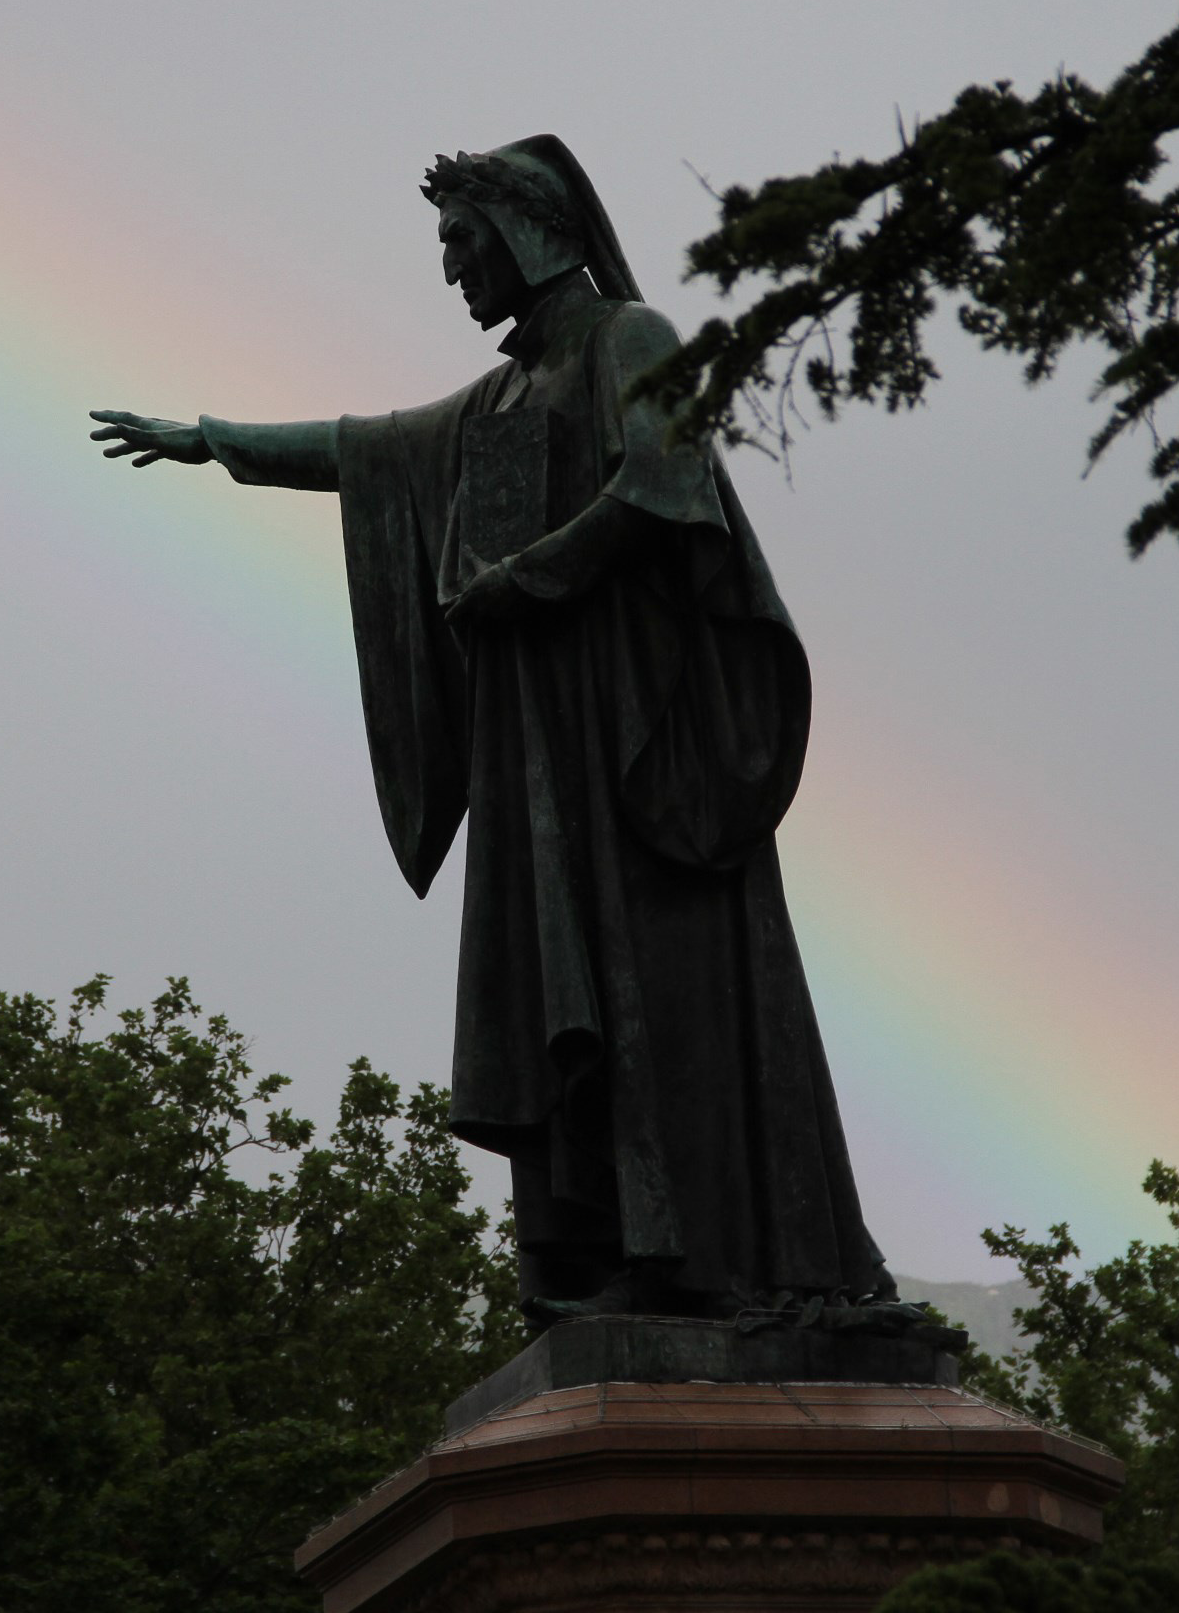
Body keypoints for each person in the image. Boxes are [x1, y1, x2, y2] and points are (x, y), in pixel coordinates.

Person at [90, 136, 893, 1324]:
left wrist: (525, 578)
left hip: (629, 737)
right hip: (539, 750)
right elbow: (369, 448)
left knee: (650, 983)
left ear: (524, 229)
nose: (452, 269)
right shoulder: (502, 394)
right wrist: (215, 442)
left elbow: (658, 490)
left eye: (461, 242)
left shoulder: (627, 340)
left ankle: (689, 1252)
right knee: (561, 985)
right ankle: (594, 1244)